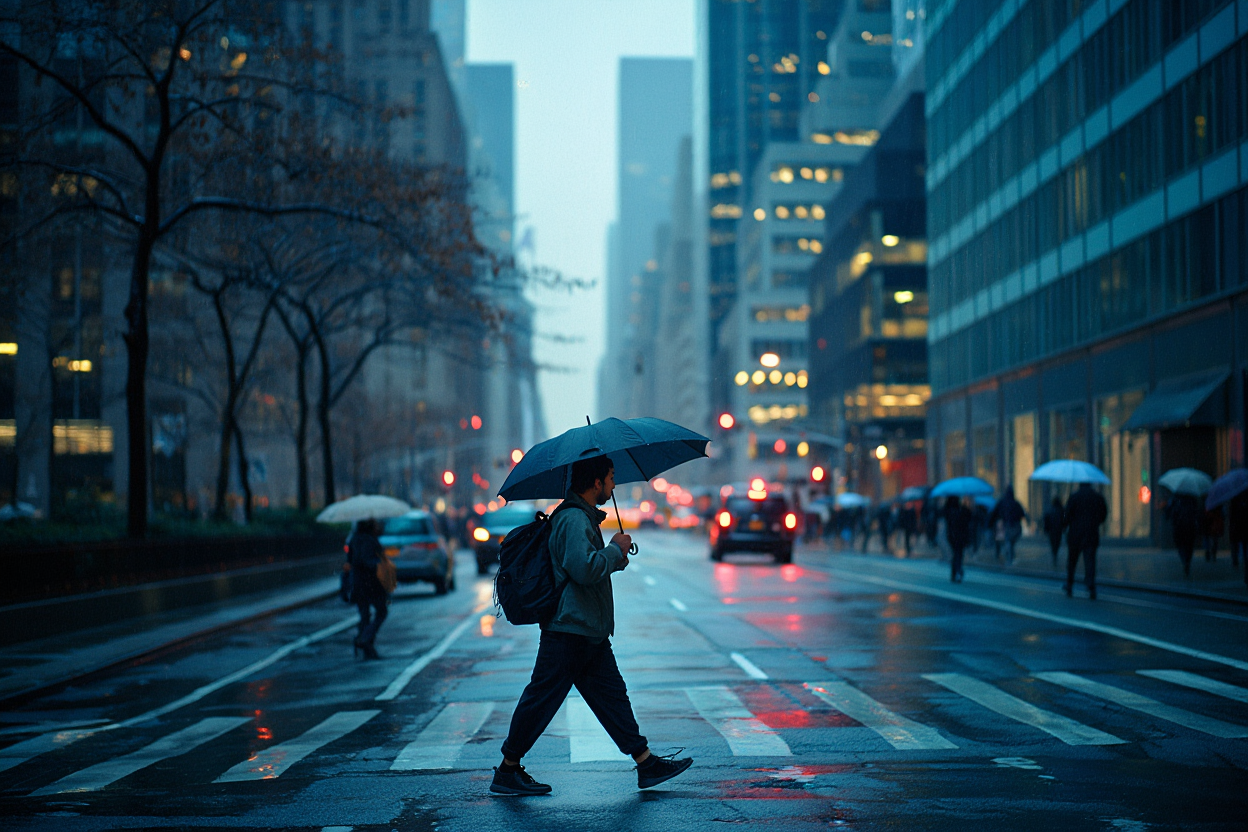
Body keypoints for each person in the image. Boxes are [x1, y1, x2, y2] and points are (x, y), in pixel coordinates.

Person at [491, 455, 693, 796]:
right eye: (611, 478)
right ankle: (508, 769)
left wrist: (613, 556)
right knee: (541, 700)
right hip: (570, 629)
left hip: (587, 630)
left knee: (612, 697)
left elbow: (586, 567)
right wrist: (614, 551)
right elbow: (583, 569)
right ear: (595, 482)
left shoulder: (580, 517)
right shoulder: (572, 519)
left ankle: (646, 763)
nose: (614, 485)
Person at [347, 518, 388, 659]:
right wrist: (380, 561)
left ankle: (367, 648)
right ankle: (364, 639)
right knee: (381, 611)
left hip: (358, 582)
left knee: (365, 615)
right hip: (370, 583)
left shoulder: (354, 538)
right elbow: (368, 561)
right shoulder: (368, 539)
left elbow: (350, 559)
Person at [1063, 483, 1108, 599]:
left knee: (1072, 561)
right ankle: (1090, 586)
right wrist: (1096, 522)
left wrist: (1067, 526)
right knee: (1090, 561)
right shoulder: (1097, 497)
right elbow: (1104, 513)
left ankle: (1069, 584)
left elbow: (1067, 515)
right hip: (1091, 533)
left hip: (1075, 533)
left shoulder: (1074, 497)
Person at [988, 485, 1028, 564]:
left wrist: (989, 524)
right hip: (1015, 525)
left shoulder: (1002, 502)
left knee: (1008, 541)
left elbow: (994, 513)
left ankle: (1009, 557)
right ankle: (1010, 556)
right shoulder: (1016, 503)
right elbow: (1022, 514)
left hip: (1006, 525)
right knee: (1010, 541)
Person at [1169, 494, 1200, 576]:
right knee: (1189, 546)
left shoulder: (1175, 500)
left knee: (1181, 546)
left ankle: (1184, 560)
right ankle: (1187, 561)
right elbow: (1196, 513)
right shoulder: (1192, 501)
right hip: (1190, 527)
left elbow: (1171, 513)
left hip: (1179, 527)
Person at [944, 496, 971, 583]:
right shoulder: (962, 510)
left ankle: (955, 573)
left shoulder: (949, 511)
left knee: (955, 554)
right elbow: (969, 518)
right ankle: (958, 571)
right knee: (958, 554)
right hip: (960, 536)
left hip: (952, 537)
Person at [1228, 491, 1248, 584]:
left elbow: (1232, 515)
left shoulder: (1236, 498)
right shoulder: (1237, 499)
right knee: (1244, 550)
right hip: (1241, 528)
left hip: (1240, 527)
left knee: (1244, 550)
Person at [1043, 497, 1064, 568]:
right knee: (1057, 542)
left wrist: (1046, 529)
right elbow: (1063, 520)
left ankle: (1054, 554)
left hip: (1052, 530)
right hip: (1058, 530)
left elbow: (1046, 521)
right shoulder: (1061, 510)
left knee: (1053, 543)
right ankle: (1055, 554)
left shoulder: (1050, 510)